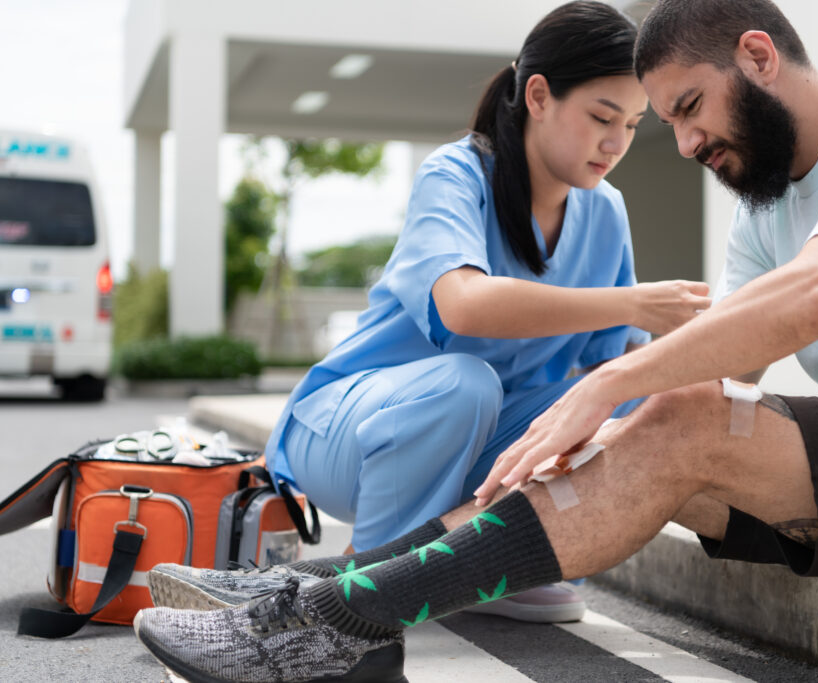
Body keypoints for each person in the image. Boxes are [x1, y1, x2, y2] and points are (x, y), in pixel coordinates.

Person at [134, 0, 818, 680]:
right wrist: (615, 413)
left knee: (666, 415)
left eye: (682, 110)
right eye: (655, 121)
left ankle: (339, 618)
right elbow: (722, 365)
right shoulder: (767, 210)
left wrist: (609, 383)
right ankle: (328, 595)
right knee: (666, 417)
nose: (677, 144)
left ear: (757, 56)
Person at [145, 0, 709, 626]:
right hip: (345, 432)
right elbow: (463, 306)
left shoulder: (605, 211)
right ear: (541, 95)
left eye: (632, 125)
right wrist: (636, 302)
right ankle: (361, 580)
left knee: (635, 398)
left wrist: (707, 353)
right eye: (602, 117)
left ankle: (493, 557)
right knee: (466, 383)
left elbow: (607, 370)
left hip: (479, 439)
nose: (616, 143)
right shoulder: (457, 173)